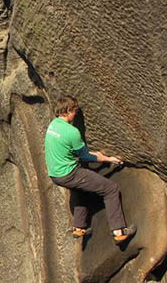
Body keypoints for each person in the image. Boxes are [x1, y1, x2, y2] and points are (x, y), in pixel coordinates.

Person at [44, 96, 136, 243]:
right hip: (69, 173)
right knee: (110, 189)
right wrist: (108, 159)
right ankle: (119, 231)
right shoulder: (71, 132)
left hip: (55, 174)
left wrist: (96, 154)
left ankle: (79, 228)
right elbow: (85, 156)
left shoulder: (53, 125)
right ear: (68, 111)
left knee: (80, 188)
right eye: (74, 111)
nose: (75, 114)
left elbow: (74, 151)